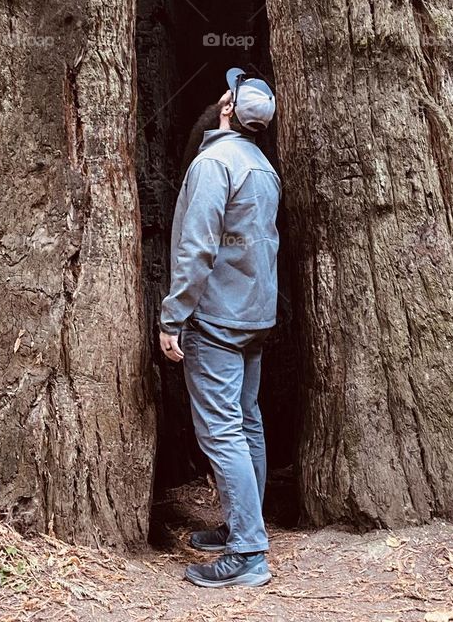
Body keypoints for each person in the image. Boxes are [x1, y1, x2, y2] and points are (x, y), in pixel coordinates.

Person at [159, 67, 280, 589]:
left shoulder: (214, 164)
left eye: (225, 93)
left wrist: (174, 316)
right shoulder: (263, 166)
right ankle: (240, 526)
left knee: (223, 429)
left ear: (228, 109)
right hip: (255, 315)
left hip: (217, 318)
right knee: (246, 422)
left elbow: (198, 247)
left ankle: (248, 551)